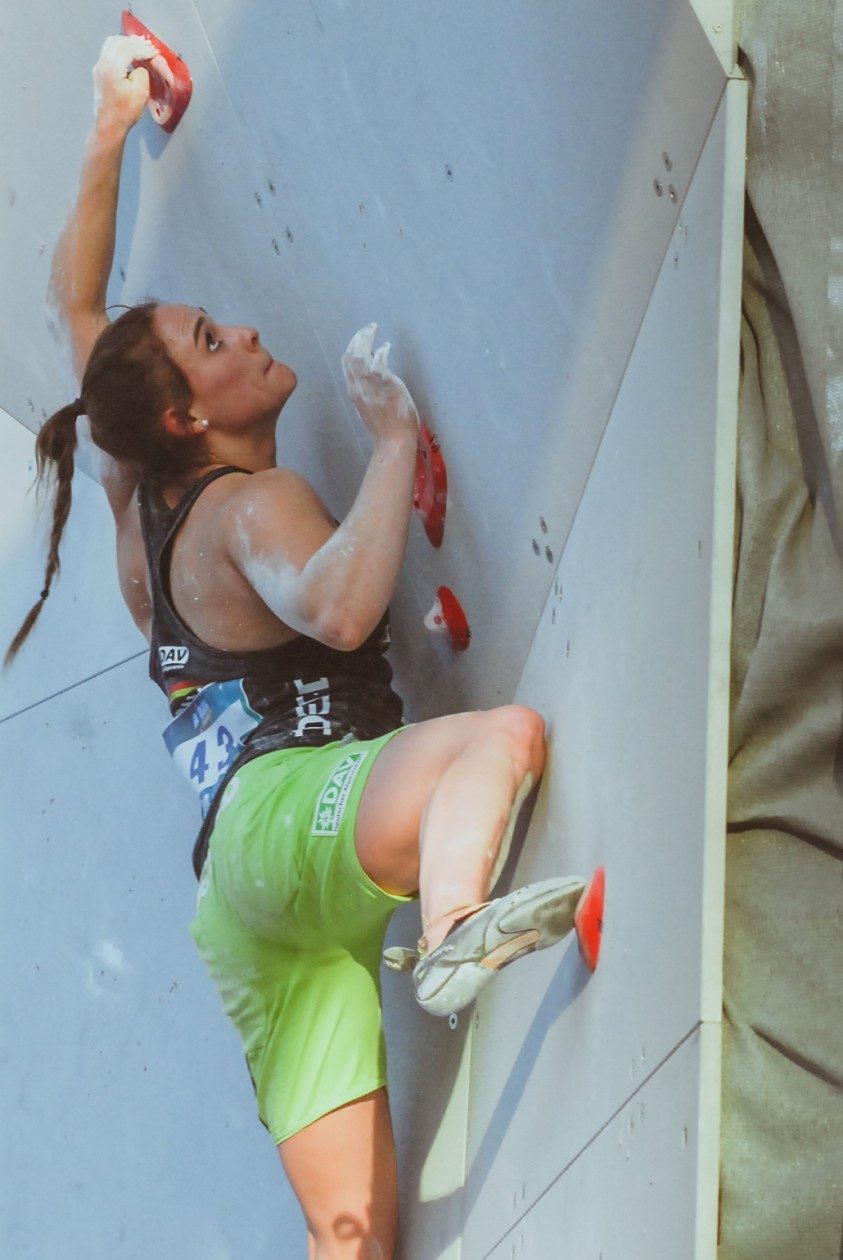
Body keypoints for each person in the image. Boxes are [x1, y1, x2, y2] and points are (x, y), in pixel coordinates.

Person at [8, 36, 588, 1260]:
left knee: (352, 1238)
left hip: (243, 898)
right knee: (499, 741)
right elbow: (333, 606)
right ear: (188, 417)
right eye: (215, 343)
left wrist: (109, 127)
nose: (248, 333)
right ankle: (449, 936)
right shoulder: (244, 509)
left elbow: (74, 305)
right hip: (286, 815)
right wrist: (386, 443)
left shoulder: (136, 495)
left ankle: (439, 929)